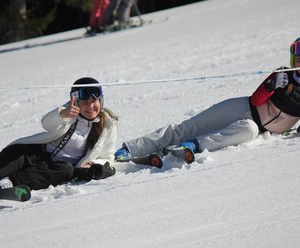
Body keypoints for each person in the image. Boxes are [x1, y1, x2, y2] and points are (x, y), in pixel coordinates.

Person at [115, 37, 300, 160]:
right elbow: (256, 100)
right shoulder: (283, 73)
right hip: (243, 107)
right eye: (298, 58)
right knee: (187, 127)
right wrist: (271, 86)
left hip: (257, 128)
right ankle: (131, 149)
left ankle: (192, 146)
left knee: (249, 130)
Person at [0, 77, 118, 190]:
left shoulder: (107, 125)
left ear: (101, 100)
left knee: (66, 171)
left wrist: (92, 164)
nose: (91, 106)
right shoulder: (69, 111)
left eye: (94, 101)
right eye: (85, 102)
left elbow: (107, 156)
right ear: (77, 102)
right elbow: (46, 123)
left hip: (58, 166)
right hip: (37, 152)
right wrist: (61, 115)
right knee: (17, 152)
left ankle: (10, 182)